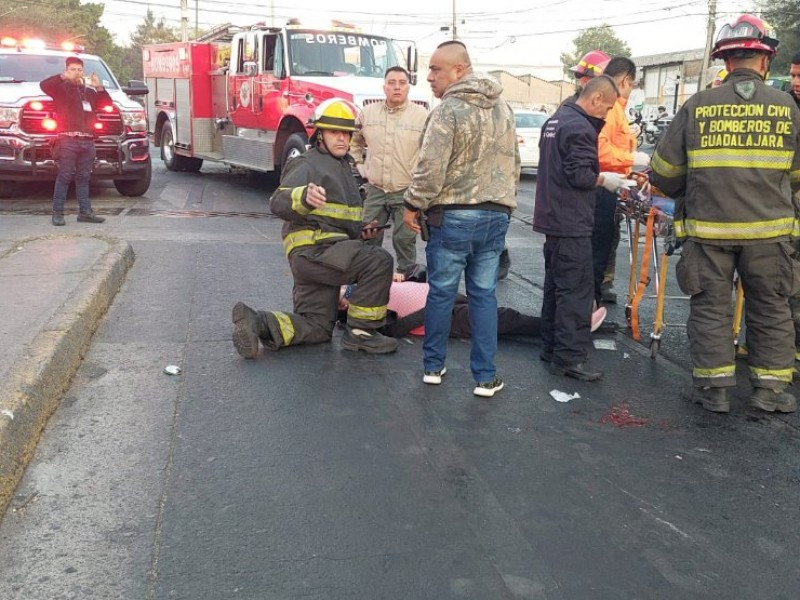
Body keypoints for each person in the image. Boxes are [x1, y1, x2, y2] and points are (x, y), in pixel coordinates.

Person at [650, 14, 800, 414]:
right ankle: (769, 392)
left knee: (711, 308)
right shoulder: (788, 107)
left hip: (709, 232)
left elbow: (664, 173)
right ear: (765, 61)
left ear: (725, 61)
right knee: (771, 307)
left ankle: (713, 390)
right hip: (771, 237)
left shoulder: (698, 105)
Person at [231, 98, 399, 358]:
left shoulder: (343, 167)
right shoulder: (308, 163)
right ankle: (362, 333)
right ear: (319, 134)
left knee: (318, 327)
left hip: (318, 258)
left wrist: (362, 230)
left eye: (346, 133)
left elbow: (337, 218)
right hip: (318, 251)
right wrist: (303, 197)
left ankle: (258, 323)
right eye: (334, 132)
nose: (342, 138)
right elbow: (278, 201)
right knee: (378, 261)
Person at [402, 41, 519, 398]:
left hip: (453, 216)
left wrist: (412, 204)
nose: (429, 77)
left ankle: (433, 367)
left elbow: (430, 169)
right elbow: (514, 162)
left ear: (460, 70)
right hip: (495, 215)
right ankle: (485, 378)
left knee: (441, 293)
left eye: (436, 69)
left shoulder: (448, 110)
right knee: (483, 295)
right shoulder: (505, 109)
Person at [534, 75, 625, 382]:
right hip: (571, 220)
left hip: (553, 217)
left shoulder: (555, 120)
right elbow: (580, 175)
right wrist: (606, 180)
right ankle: (570, 357)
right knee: (575, 291)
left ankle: (551, 347)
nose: (607, 113)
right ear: (596, 99)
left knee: (555, 288)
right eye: (608, 106)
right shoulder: (579, 127)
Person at [338, 281, 607, 344]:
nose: (352, 292)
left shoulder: (373, 288)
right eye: (347, 295)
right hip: (447, 317)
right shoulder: (369, 317)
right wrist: (436, 308)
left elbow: (415, 275)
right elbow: (395, 330)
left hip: (450, 301)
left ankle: (572, 324)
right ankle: (574, 327)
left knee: (506, 318)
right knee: (507, 319)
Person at [349, 67, 428, 279]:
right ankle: (366, 280)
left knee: (404, 240)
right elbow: (354, 143)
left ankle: (407, 283)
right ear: (384, 87)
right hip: (375, 189)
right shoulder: (368, 113)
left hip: (406, 192)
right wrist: (359, 165)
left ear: (408, 87)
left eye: (402, 83)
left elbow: (431, 154)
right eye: (392, 82)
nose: (397, 87)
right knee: (367, 235)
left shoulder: (422, 117)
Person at [592, 57, 651, 306]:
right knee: (597, 250)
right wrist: (631, 159)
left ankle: (590, 304)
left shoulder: (616, 108)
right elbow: (601, 150)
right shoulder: (611, 107)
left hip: (611, 183)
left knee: (602, 248)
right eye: (633, 83)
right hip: (603, 185)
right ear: (626, 80)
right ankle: (588, 307)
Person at [40, 56, 109, 226]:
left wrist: (98, 86)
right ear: (66, 70)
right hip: (67, 139)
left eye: (79, 70)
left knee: (84, 177)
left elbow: (106, 103)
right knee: (64, 176)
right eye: (73, 69)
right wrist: (63, 77)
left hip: (87, 141)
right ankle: (58, 213)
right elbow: (44, 85)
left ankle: (85, 213)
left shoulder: (88, 91)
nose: (76, 73)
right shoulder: (59, 89)